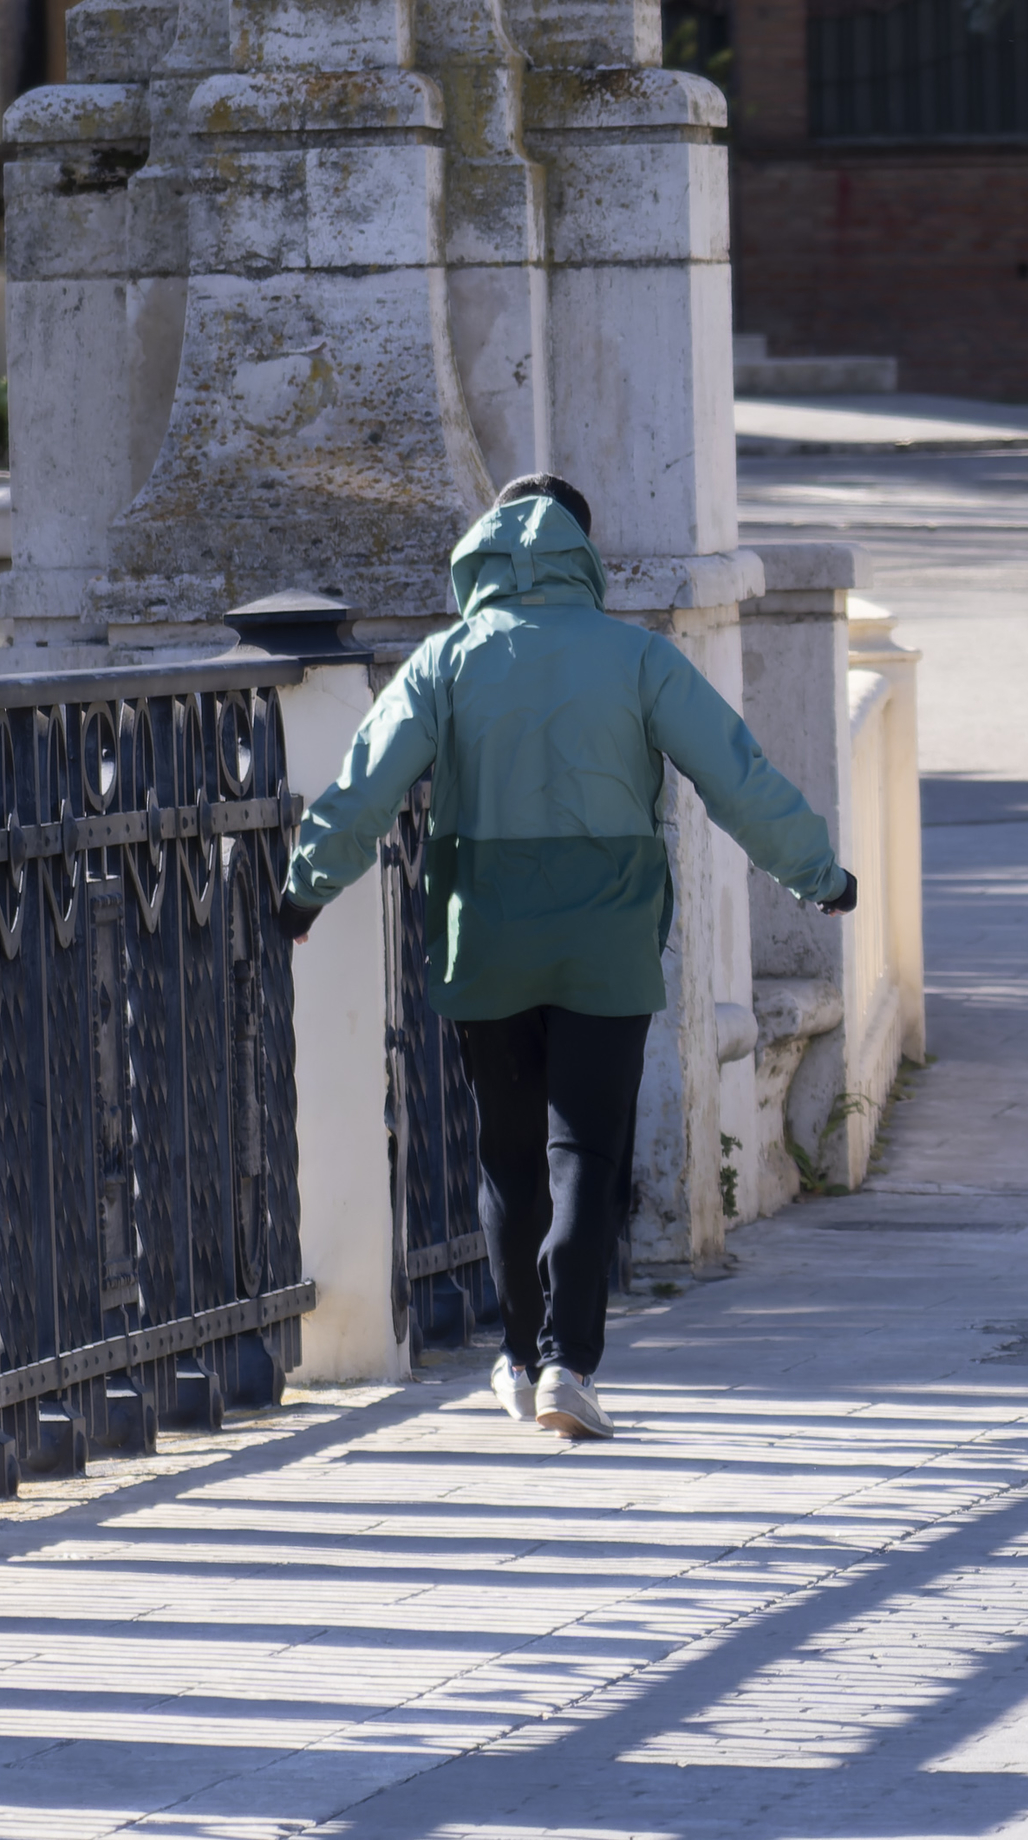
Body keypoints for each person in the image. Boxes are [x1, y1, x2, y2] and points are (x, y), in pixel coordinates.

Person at [275, 475, 859, 1443]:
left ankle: (513, 1352)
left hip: (487, 935)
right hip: (606, 934)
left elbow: (364, 781)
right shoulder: (636, 656)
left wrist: (305, 888)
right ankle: (567, 1365)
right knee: (585, 1147)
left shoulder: (447, 658)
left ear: (485, 549)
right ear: (583, 553)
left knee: (507, 1155)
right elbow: (735, 770)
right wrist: (817, 874)